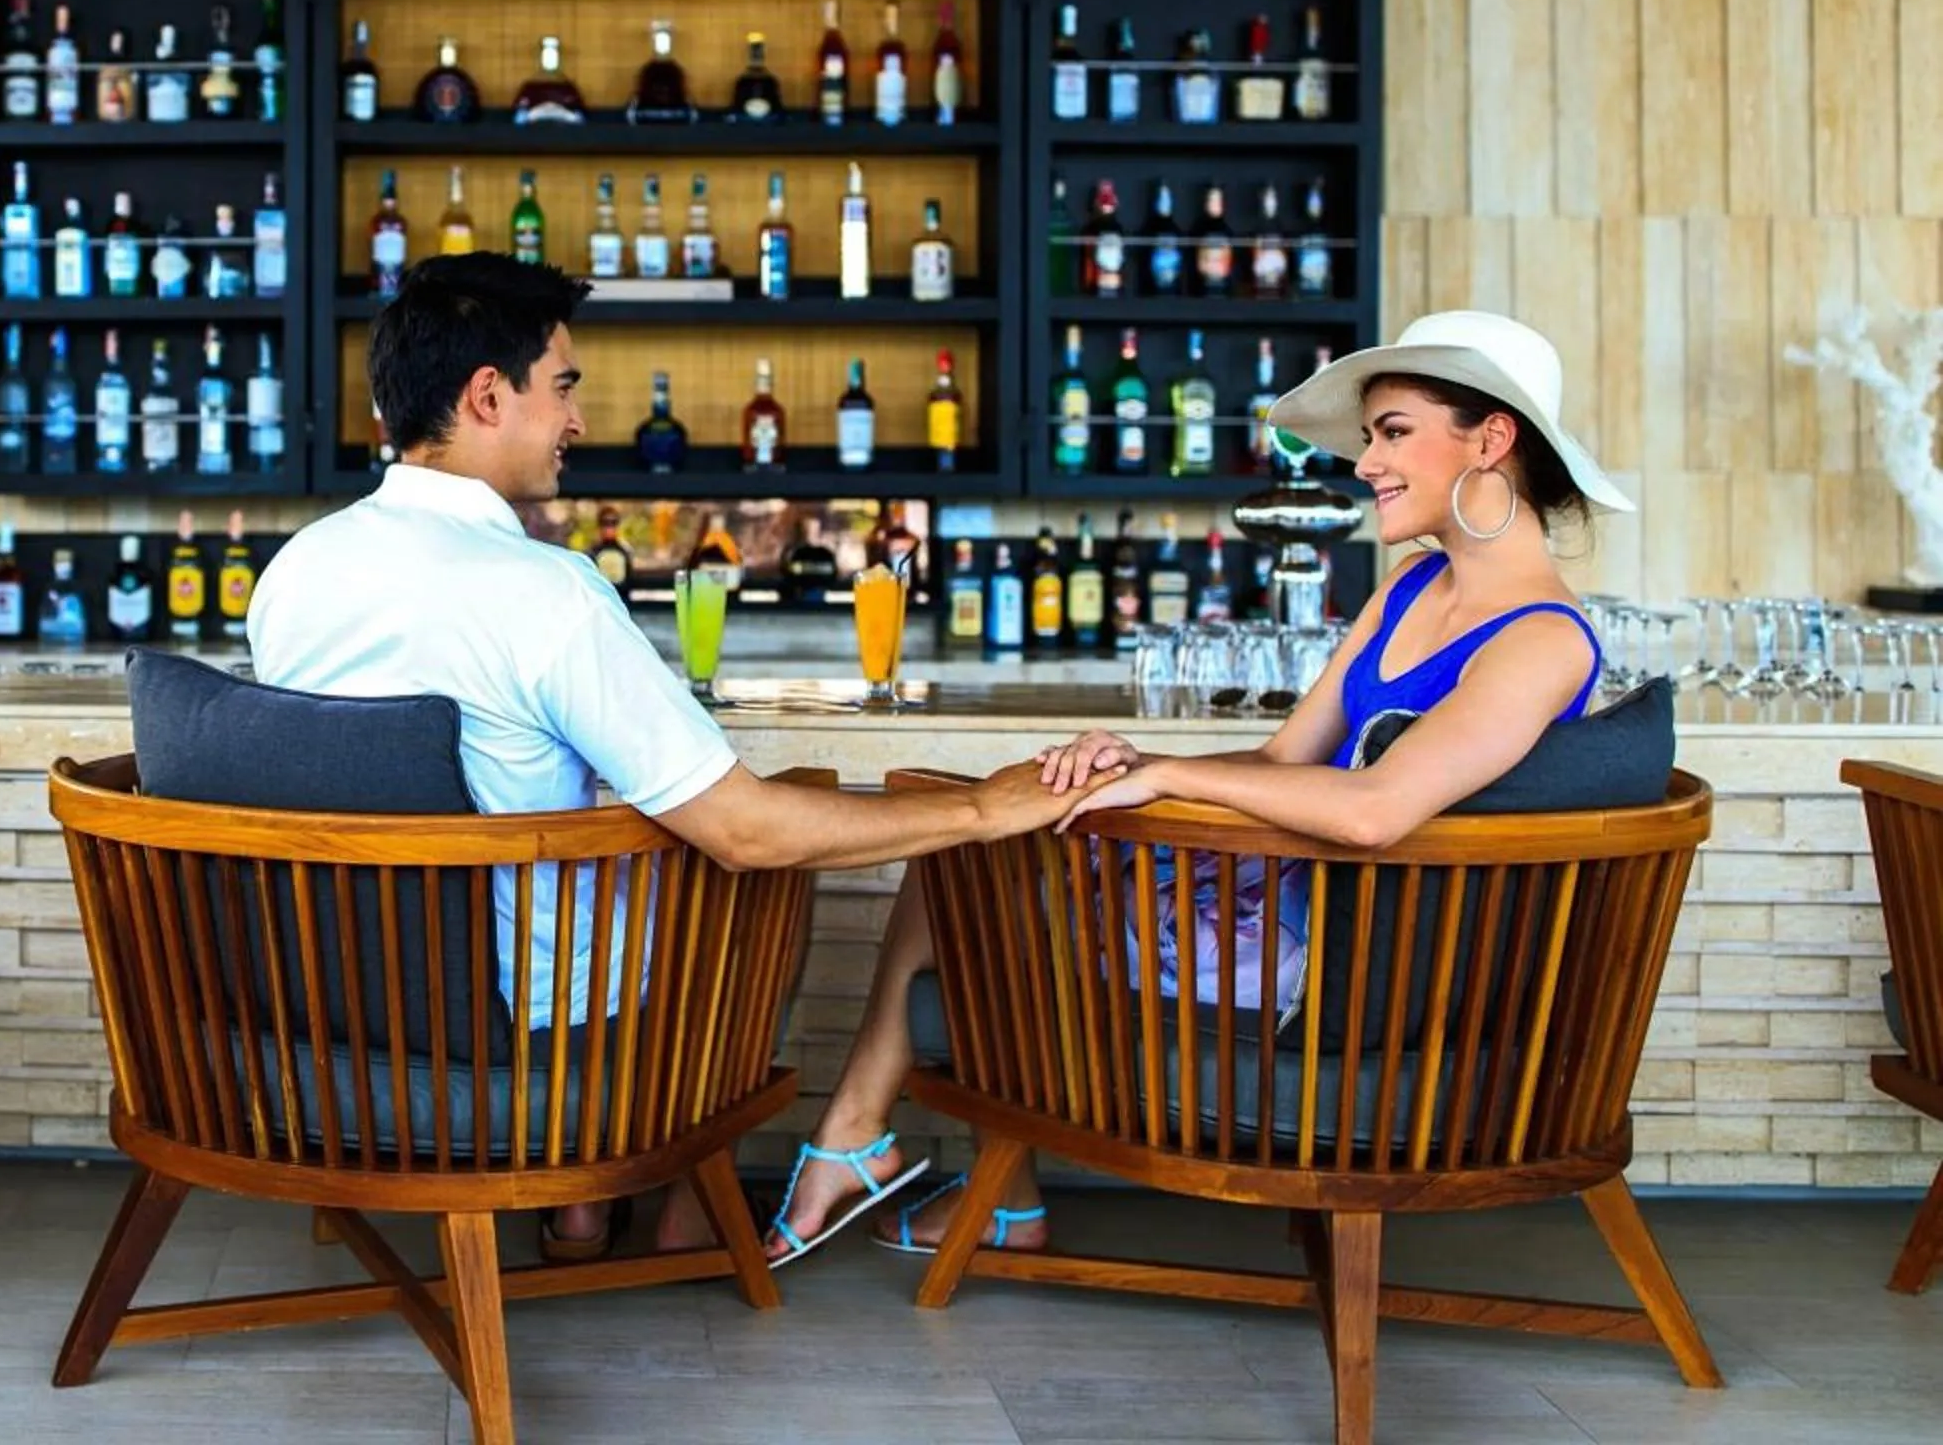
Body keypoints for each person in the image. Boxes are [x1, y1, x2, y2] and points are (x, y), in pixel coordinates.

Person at [245, 253, 1074, 1259]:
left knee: (642, 832)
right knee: (751, 859)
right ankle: (677, 1193)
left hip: (322, 1017)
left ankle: (596, 1209)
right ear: (488, 394)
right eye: (564, 387)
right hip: (524, 1048)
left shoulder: (295, 572)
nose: (578, 421)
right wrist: (983, 806)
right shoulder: (545, 592)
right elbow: (747, 830)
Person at [764, 308, 1633, 1267]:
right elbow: (1282, 762)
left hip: (1345, 966)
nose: (1364, 463)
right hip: (1294, 903)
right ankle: (916, 1164)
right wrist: (1134, 768)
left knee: (982, 861)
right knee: (985, 837)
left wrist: (1168, 777)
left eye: (1391, 434)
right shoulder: (1413, 591)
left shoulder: (1543, 639)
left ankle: (889, 1154)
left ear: (1492, 439)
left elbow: (1380, 810)